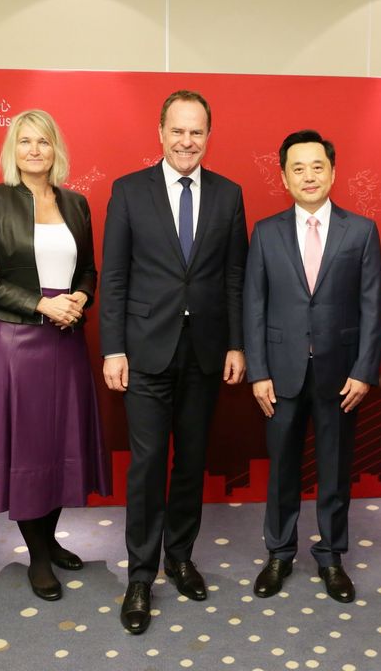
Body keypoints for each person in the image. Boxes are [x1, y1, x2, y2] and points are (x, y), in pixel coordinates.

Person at [100, 90, 248, 634]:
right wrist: (113, 348)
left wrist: (236, 344)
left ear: (208, 136)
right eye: (178, 131)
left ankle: (179, 557)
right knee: (145, 466)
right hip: (144, 351)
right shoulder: (129, 191)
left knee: (190, 461)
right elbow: (113, 275)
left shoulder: (230, 195)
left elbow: (235, 276)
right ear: (160, 133)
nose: (187, 142)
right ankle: (140, 574)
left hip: (206, 350)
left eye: (197, 132)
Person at [0, 109, 111, 601]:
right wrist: (39, 303)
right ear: (14, 149)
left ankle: (49, 539)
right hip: (18, 342)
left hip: (67, 339)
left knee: (59, 444)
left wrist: (80, 299)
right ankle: (38, 557)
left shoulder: (75, 203)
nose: (34, 150)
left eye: (43, 142)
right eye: (25, 141)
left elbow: (90, 271)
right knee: (29, 448)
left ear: (56, 150)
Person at [244, 130, 381, 604]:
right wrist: (258, 372)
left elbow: (373, 307)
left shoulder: (361, 231)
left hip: (340, 375)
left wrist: (365, 371)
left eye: (317, 166)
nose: (308, 175)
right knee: (282, 469)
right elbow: (254, 306)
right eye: (298, 168)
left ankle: (331, 556)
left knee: (335, 469)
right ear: (284, 176)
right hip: (279, 375)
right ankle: (280, 553)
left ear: (333, 172)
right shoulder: (265, 232)